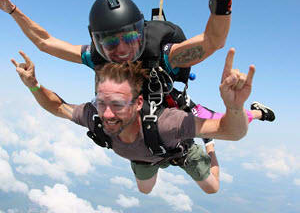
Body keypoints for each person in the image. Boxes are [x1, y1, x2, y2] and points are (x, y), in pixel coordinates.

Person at [0, 0, 275, 127]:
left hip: (171, 106)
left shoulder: (163, 54)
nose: (120, 50)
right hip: (130, 116)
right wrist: (12, 10)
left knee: (228, 120)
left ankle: (260, 111)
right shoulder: (95, 56)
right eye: (109, 43)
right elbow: (45, 42)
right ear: (97, 43)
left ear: (142, 34)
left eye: (129, 38)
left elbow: (212, 41)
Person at [12, 47, 253, 194]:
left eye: (117, 104)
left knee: (212, 188)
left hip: (178, 149)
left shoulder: (167, 123)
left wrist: (235, 107)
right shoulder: (96, 117)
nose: (106, 114)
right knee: (145, 191)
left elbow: (232, 131)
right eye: (102, 102)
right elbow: (58, 107)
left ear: (138, 103)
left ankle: (208, 143)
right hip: (145, 155)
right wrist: (34, 86)